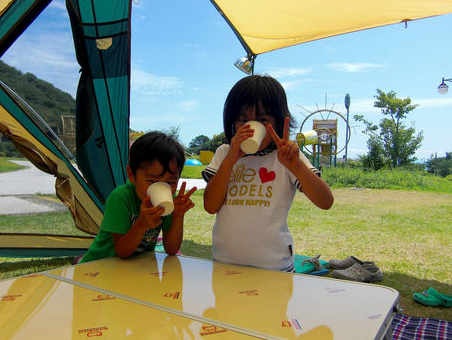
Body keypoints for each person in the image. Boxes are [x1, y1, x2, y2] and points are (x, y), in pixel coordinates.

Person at [202, 75, 333, 272]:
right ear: (231, 122)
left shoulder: (287, 156)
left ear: (279, 122)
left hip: (275, 267)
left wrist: (296, 166)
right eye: (242, 120)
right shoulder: (223, 154)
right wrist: (230, 160)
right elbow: (210, 205)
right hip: (225, 263)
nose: (251, 128)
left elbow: (325, 201)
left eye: (262, 120)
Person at [80, 131, 197, 263]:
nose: (164, 188)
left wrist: (177, 216)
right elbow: (122, 251)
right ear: (131, 174)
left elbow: (171, 249)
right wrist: (141, 224)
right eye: (152, 181)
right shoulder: (121, 198)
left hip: (134, 269)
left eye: (170, 182)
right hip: (99, 265)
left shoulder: (169, 200)